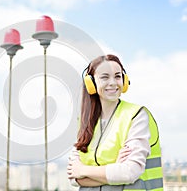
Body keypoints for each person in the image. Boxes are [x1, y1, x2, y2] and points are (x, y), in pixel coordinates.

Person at [67, 54, 163, 191]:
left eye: (117, 76)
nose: (112, 82)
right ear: (91, 83)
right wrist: (113, 169)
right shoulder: (85, 122)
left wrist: (83, 170)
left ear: (124, 80)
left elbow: (129, 172)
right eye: (105, 77)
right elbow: (73, 177)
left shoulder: (136, 115)